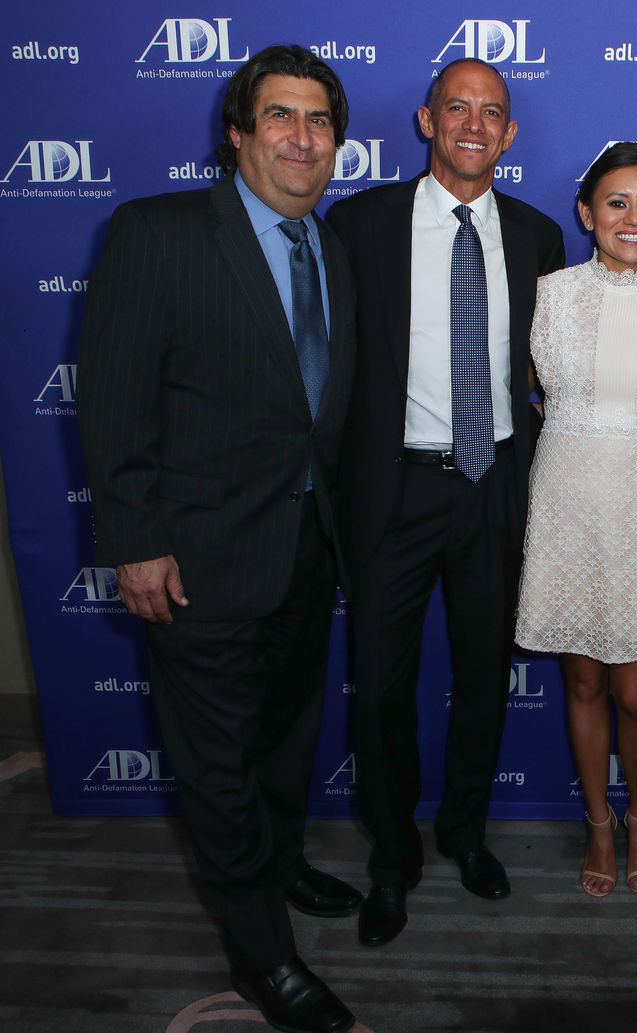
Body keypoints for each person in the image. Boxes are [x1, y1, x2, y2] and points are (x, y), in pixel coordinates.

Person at [76, 45, 359, 1033]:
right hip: (194, 564)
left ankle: (282, 867)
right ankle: (264, 959)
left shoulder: (330, 247)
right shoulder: (158, 233)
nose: (301, 137)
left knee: (285, 741)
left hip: (304, 554)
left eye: (319, 120)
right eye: (279, 116)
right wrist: (135, 538)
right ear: (236, 133)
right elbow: (112, 402)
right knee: (219, 767)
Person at [326, 58, 564, 946]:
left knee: (482, 678)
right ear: (426, 121)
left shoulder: (540, 236)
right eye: (456, 107)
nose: (474, 123)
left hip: (495, 485)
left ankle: (464, 833)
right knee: (381, 689)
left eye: (492, 112)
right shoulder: (360, 224)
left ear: (509, 134)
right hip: (392, 489)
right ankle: (393, 857)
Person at [516, 142, 637, 897]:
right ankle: (599, 821)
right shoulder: (551, 294)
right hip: (567, 500)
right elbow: (527, 388)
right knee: (584, 680)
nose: (633, 218)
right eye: (617, 202)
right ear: (587, 212)